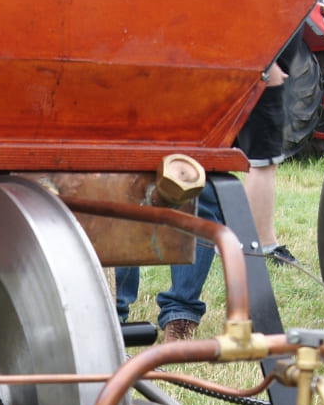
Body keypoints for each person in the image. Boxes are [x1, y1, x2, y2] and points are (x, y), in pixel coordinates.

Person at [115, 55, 296, 342]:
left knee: (202, 188)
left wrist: (270, 58)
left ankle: (181, 313)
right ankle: (113, 311)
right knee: (122, 183)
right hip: (148, 60)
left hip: (209, 68)